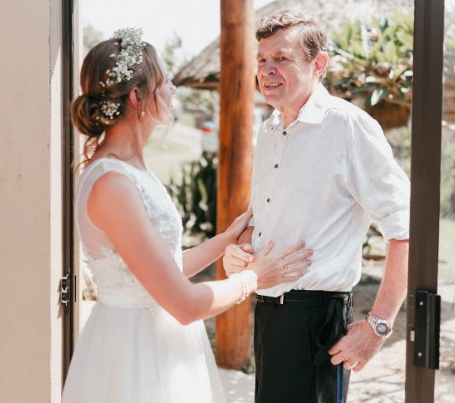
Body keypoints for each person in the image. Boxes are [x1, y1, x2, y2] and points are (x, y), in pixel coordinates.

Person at [61, 28, 312, 403]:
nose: (173, 91)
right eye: (165, 83)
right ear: (137, 98)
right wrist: (254, 277)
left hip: (155, 341)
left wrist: (225, 239)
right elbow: (185, 304)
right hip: (134, 353)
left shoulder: (128, 171)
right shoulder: (112, 184)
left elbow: (164, 269)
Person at [223, 11, 410, 403]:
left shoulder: (348, 126)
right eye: (262, 59)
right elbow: (264, 217)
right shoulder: (269, 130)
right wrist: (241, 248)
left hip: (317, 323)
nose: (267, 70)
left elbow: (406, 227)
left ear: (318, 64)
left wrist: (378, 327)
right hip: (267, 314)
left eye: (282, 58)